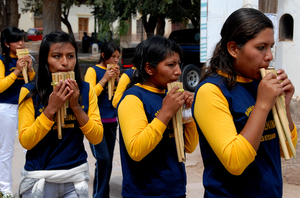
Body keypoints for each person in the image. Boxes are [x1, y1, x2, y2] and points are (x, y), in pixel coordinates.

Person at [192, 8, 298, 198]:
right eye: (260, 47)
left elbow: (286, 149)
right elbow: (235, 162)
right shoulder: (211, 91)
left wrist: (284, 104)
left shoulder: (261, 84)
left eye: (271, 47)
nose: (269, 56)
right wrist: (263, 105)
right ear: (233, 49)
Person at [17, 31, 103, 197]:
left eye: (70, 56)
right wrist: (50, 110)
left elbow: (97, 137)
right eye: (57, 56)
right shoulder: (30, 92)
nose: (65, 63)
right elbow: (26, 141)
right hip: (39, 176)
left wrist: (76, 107)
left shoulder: (86, 90)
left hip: (74, 176)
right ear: (45, 60)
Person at [117, 35, 199, 197]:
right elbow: (136, 150)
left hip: (175, 190)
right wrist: (166, 113)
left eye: (178, 64)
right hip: (144, 192)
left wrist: (188, 114)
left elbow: (189, 147)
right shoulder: (133, 98)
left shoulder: (171, 95)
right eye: (171, 65)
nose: (178, 71)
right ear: (149, 68)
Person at [0, 26, 35, 197]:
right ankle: (5, 189)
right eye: (16, 40)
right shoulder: (2, 61)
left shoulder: (28, 58)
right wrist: (15, 71)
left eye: (22, 39)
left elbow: (33, 83)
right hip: (6, 107)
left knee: (29, 148)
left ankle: (28, 186)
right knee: (6, 150)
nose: (21, 43)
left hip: (24, 106)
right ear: (7, 44)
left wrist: (29, 69)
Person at [84, 41, 120, 198]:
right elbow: (88, 95)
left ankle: (101, 194)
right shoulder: (93, 71)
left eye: (118, 57)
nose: (116, 61)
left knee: (108, 162)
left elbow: (117, 99)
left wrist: (118, 81)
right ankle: (99, 195)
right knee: (103, 159)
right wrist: (104, 79)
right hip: (96, 123)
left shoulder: (116, 72)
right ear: (104, 56)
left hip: (112, 121)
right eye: (113, 57)